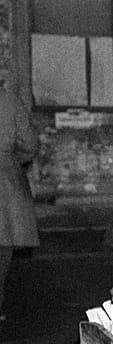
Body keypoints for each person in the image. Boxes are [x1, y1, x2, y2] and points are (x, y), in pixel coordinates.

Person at [0, 88, 39, 322]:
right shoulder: (9, 100)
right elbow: (30, 144)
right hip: (4, 181)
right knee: (3, 245)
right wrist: (9, 162)